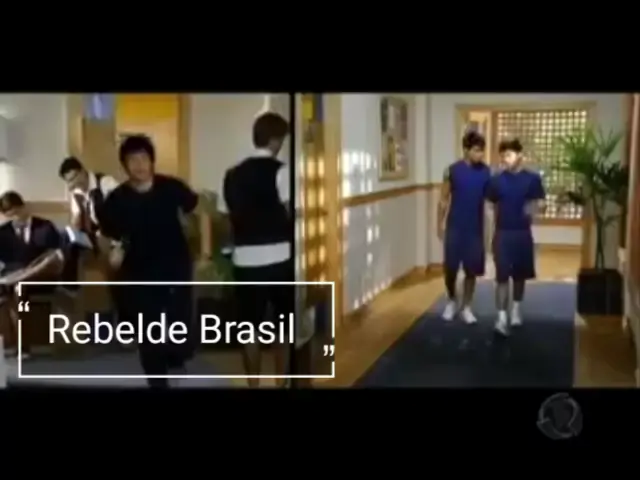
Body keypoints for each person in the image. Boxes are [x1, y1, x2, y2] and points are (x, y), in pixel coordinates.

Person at [99, 135, 199, 388]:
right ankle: (157, 381)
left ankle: (175, 358)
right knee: (149, 331)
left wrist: (204, 250)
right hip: (138, 271)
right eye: (132, 160)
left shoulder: (172, 187)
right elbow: (109, 234)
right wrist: (114, 252)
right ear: (124, 165)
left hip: (175, 266)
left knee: (177, 324)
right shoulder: (117, 199)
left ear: (152, 161)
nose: (139, 165)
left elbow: (196, 212)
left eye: (144, 158)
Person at [221, 111, 293, 387]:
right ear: (275, 140)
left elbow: (226, 217)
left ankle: (253, 383)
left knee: (249, 328)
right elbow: (290, 212)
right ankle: (281, 383)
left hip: (245, 260)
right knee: (282, 326)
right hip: (279, 256)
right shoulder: (281, 171)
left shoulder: (231, 174)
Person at [486, 138, 546, 336]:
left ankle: (516, 309)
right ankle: (501, 318)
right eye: (503, 155)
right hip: (502, 234)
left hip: (523, 234)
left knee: (520, 276)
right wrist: (491, 232)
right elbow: (490, 205)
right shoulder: (496, 180)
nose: (505, 159)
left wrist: (535, 208)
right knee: (501, 277)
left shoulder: (532, 179)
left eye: (509, 155)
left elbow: (541, 204)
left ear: (520, 155)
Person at [0, 191, 65, 358]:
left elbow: (54, 257)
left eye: (18, 211)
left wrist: (23, 275)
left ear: (24, 207)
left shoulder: (45, 227)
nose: (17, 217)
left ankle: (23, 347)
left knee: (19, 287)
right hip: (13, 278)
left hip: (42, 277)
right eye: (11, 215)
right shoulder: (3, 232)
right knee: (13, 290)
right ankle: (11, 343)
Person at [437, 131, 491, 323]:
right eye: (476, 150)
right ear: (466, 150)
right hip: (455, 226)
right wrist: (439, 224)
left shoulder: (486, 172)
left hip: (475, 228)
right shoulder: (452, 170)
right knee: (450, 268)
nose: (480, 154)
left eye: (482, 150)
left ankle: (467, 306)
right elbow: (443, 200)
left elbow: (491, 199)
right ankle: (452, 300)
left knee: (471, 270)